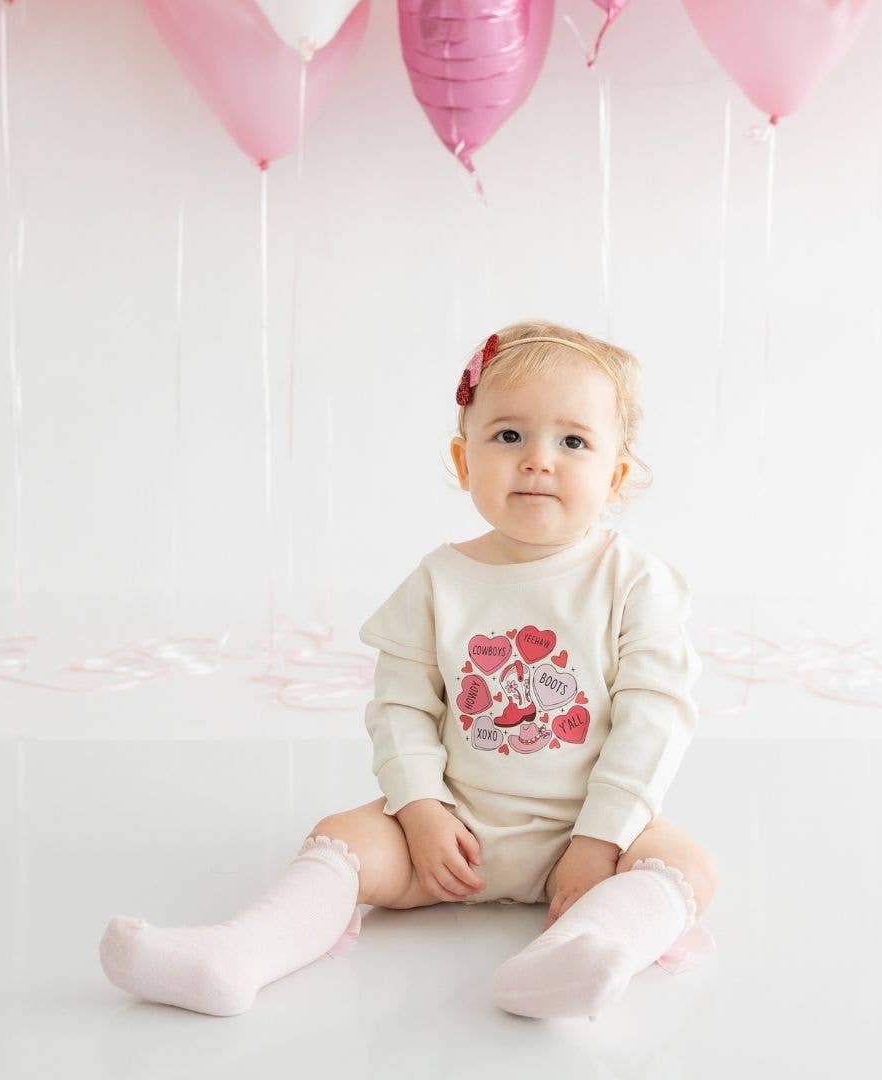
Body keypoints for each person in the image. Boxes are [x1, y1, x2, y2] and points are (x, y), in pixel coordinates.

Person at [99, 319, 718, 1021]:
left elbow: (654, 717)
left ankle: (585, 949)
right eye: (508, 435)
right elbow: (400, 707)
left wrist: (602, 837)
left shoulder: (632, 581)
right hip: (456, 831)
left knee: (686, 865)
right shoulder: (439, 580)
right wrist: (421, 809)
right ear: (463, 460)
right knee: (346, 833)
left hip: (591, 831)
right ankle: (238, 953)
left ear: (616, 475)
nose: (538, 459)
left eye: (572, 441)